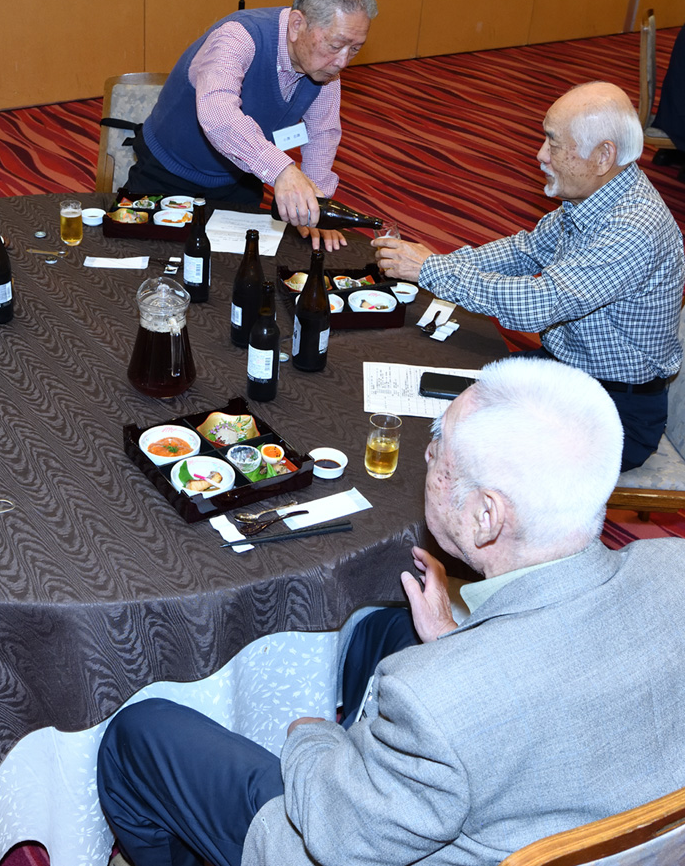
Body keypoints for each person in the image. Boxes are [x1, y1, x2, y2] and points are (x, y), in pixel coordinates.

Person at [97, 357, 685, 866]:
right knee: (384, 629)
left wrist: (312, 737)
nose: (428, 460)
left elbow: (335, 831)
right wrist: (452, 645)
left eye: (436, 452)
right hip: (569, 808)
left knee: (138, 735)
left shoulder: (437, 703)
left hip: (344, 839)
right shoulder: (675, 565)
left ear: (486, 516)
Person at [374, 81, 684, 471]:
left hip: (614, 412)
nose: (540, 155)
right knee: (440, 394)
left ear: (603, 156)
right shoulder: (598, 196)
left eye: (554, 143)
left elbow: (540, 303)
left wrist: (430, 269)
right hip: (566, 374)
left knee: (472, 446)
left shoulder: (633, 228)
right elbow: (524, 251)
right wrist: (440, 262)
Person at [127, 0, 377, 251]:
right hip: (167, 171)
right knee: (144, 258)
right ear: (297, 24)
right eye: (336, 45)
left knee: (239, 266)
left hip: (240, 180)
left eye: (354, 49)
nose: (343, 62)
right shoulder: (239, 36)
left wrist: (315, 205)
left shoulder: (326, 72)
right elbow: (218, 114)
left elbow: (322, 134)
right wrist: (281, 169)